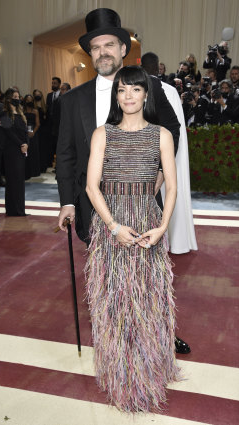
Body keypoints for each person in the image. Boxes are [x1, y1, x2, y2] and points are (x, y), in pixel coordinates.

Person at [56, 7, 190, 355]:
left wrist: (159, 176)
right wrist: (68, 202)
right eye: (96, 46)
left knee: (152, 277)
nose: (103, 52)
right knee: (111, 278)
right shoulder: (72, 101)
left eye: (110, 44)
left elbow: (171, 131)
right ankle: (117, 338)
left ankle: (160, 332)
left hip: (144, 200)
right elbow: (67, 156)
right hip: (96, 207)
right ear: (90, 52)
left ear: (122, 48)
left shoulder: (151, 88)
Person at [85, 65, 180, 412]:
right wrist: (112, 227)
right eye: (122, 90)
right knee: (114, 304)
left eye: (136, 90)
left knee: (148, 305)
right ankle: (121, 376)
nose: (128, 96)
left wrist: (161, 228)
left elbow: (171, 188)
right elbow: (91, 187)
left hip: (147, 226)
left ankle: (149, 370)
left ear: (146, 94)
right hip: (111, 229)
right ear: (117, 95)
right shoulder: (102, 134)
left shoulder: (161, 135)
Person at [141, 52, 197, 254]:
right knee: (173, 193)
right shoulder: (171, 91)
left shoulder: (138, 89)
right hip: (172, 155)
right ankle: (177, 240)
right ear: (157, 68)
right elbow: (176, 129)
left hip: (148, 158)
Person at [0, 88, 28, 216]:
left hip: (21, 150)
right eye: (14, 97)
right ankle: (13, 210)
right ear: (9, 98)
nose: (17, 99)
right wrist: (21, 144)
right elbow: (9, 132)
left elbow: (25, 131)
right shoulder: (4, 113)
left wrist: (26, 144)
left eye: (18, 96)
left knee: (20, 180)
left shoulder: (21, 113)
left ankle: (20, 209)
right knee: (13, 180)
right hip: (11, 151)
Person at [23, 94, 40, 179]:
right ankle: (27, 171)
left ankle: (35, 171)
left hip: (33, 133)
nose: (29, 102)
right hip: (24, 133)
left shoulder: (35, 111)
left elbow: (38, 124)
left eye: (30, 100)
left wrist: (33, 132)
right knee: (27, 152)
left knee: (34, 151)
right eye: (27, 100)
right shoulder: (22, 110)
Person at [33, 89, 48, 173]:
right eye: (36, 94)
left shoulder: (45, 107)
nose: (37, 96)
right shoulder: (33, 107)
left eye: (39, 94)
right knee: (36, 149)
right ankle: (37, 167)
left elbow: (48, 121)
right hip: (36, 131)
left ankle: (43, 167)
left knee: (43, 150)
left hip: (44, 132)